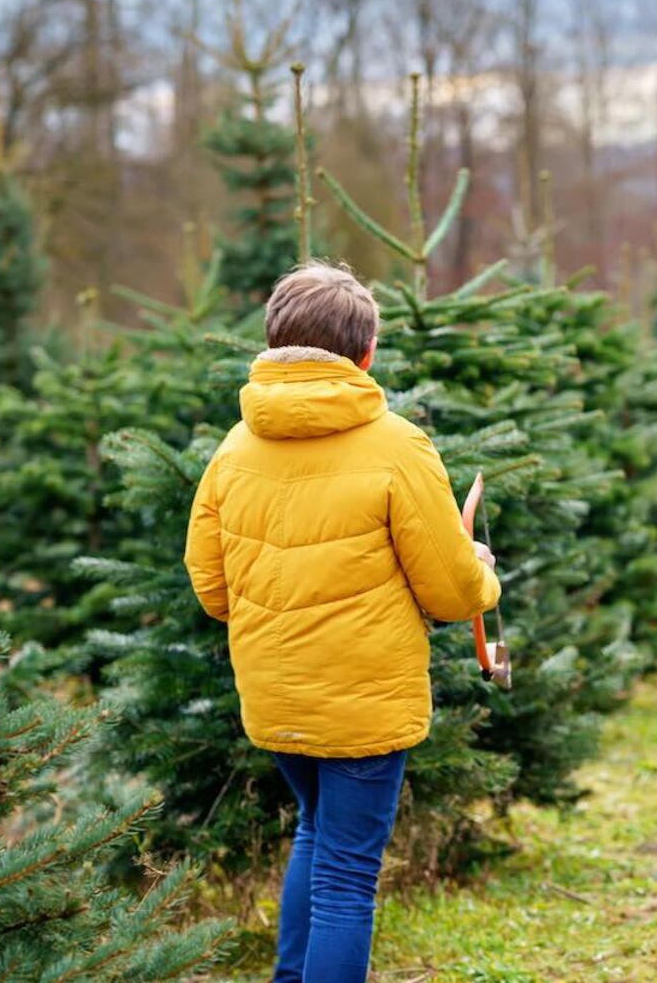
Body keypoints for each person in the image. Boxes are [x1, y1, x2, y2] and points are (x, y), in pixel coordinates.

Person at [184, 262, 500, 983]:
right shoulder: (398, 446)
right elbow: (454, 592)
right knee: (348, 879)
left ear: (276, 344)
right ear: (365, 354)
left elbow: (210, 587)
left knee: (317, 835)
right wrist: (482, 569)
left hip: (274, 698)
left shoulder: (234, 450)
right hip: (364, 705)